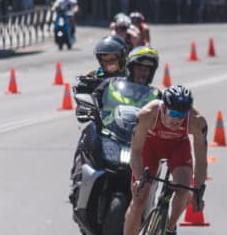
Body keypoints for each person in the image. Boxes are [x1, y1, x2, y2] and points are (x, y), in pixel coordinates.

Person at [112, 84, 208, 235]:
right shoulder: (148, 114)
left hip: (178, 149)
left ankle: (170, 229)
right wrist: (138, 179)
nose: (176, 119)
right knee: (138, 200)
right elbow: (135, 151)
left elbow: (201, 159)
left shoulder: (197, 122)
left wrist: (199, 189)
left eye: (181, 115)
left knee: (183, 190)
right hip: (149, 149)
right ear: (163, 107)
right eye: (172, 113)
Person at [69, 46, 161, 207]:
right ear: (131, 68)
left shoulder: (156, 95)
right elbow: (93, 100)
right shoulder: (111, 84)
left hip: (138, 143)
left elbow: (165, 118)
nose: (143, 72)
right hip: (109, 134)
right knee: (88, 134)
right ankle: (77, 182)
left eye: (148, 69)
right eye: (140, 68)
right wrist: (86, 109)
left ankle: (152, 208)